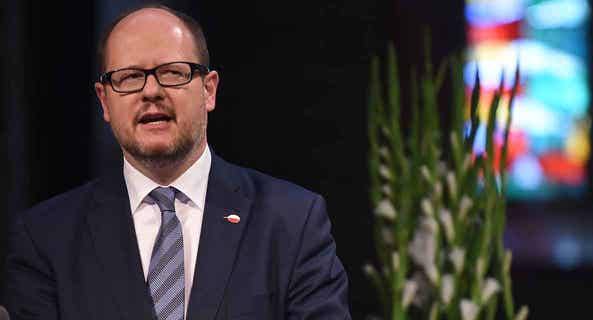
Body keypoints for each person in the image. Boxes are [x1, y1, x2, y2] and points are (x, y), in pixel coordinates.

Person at [3, 4, 351, 320]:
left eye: (172, 73)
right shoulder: (46, 240)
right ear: (104, 102)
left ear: (208, 90)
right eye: (129, 77)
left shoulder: (291, 222)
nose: (151, 91)